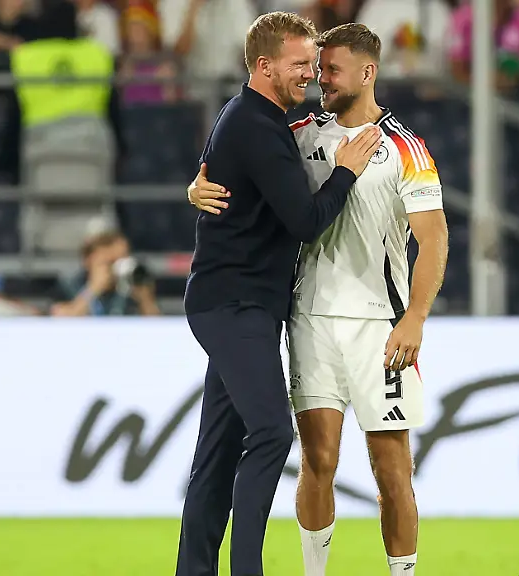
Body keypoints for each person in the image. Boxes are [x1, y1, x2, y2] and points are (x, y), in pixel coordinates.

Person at [189, 23, 448, 576]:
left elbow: (434, 238)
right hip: (306, 320)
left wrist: (416, 318)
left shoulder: (407, 148)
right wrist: (195, 185)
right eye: (313, 66)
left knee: (392, 470)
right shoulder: (299, 133)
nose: (318, 78)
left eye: (329, 68)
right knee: (318, 460)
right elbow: (244, 169)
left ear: (367, 72)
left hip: (381, 326)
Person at [175, 12, 382, 576]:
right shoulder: (258, 125)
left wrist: (195, 183)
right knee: (270, 431)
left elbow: (225, 171)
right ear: (264, 66)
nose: (311, 74)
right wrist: (345, 172)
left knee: (217, 455)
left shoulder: (255, 118)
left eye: (314, 64)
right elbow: (306, 221)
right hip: (234, 304)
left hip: (239, 304)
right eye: (300, 64)